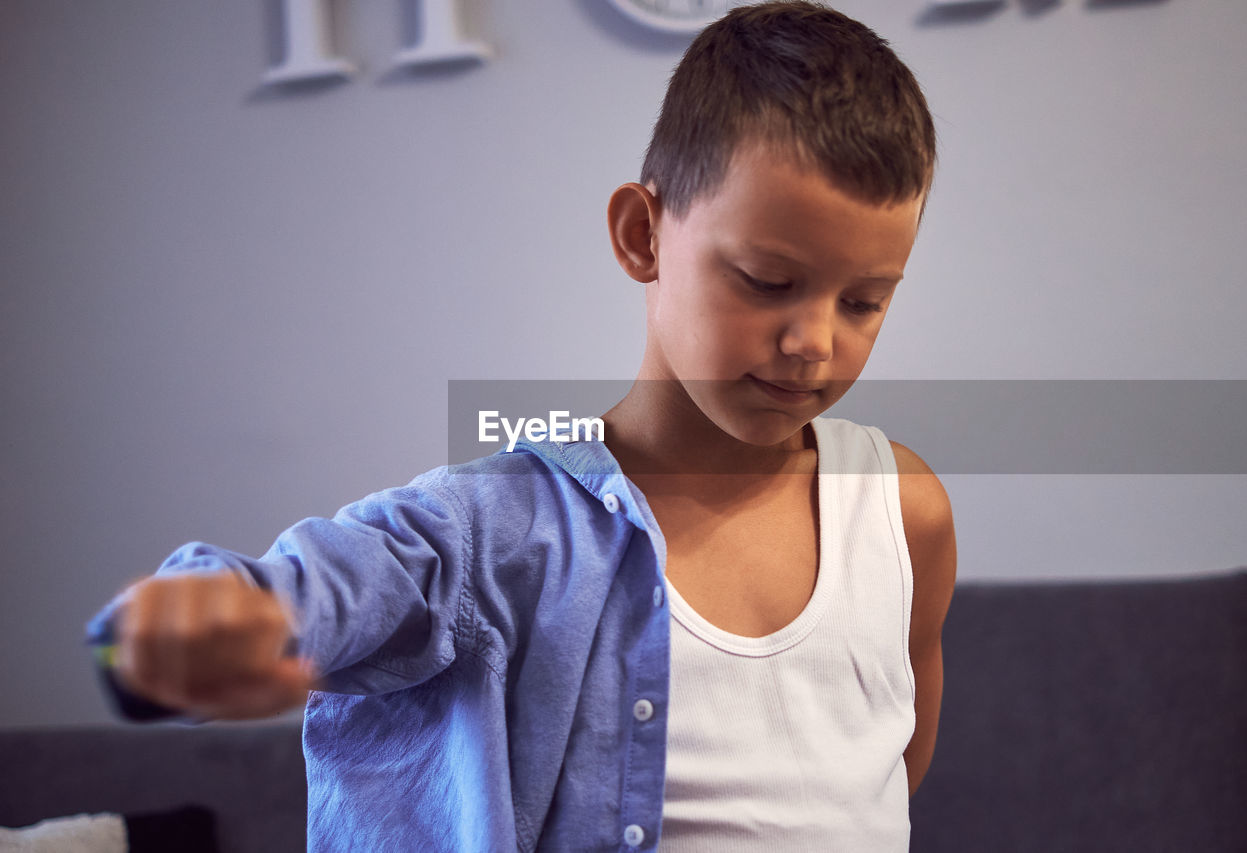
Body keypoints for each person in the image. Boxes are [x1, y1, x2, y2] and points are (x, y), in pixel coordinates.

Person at [86, 2, 956, 850]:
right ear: (641, 235)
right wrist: (181, 626)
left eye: (864, 301)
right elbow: (318, 584)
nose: (813, 342)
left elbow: (889, 764)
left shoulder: (903, 508)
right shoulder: (493, 528)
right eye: (767, 280)